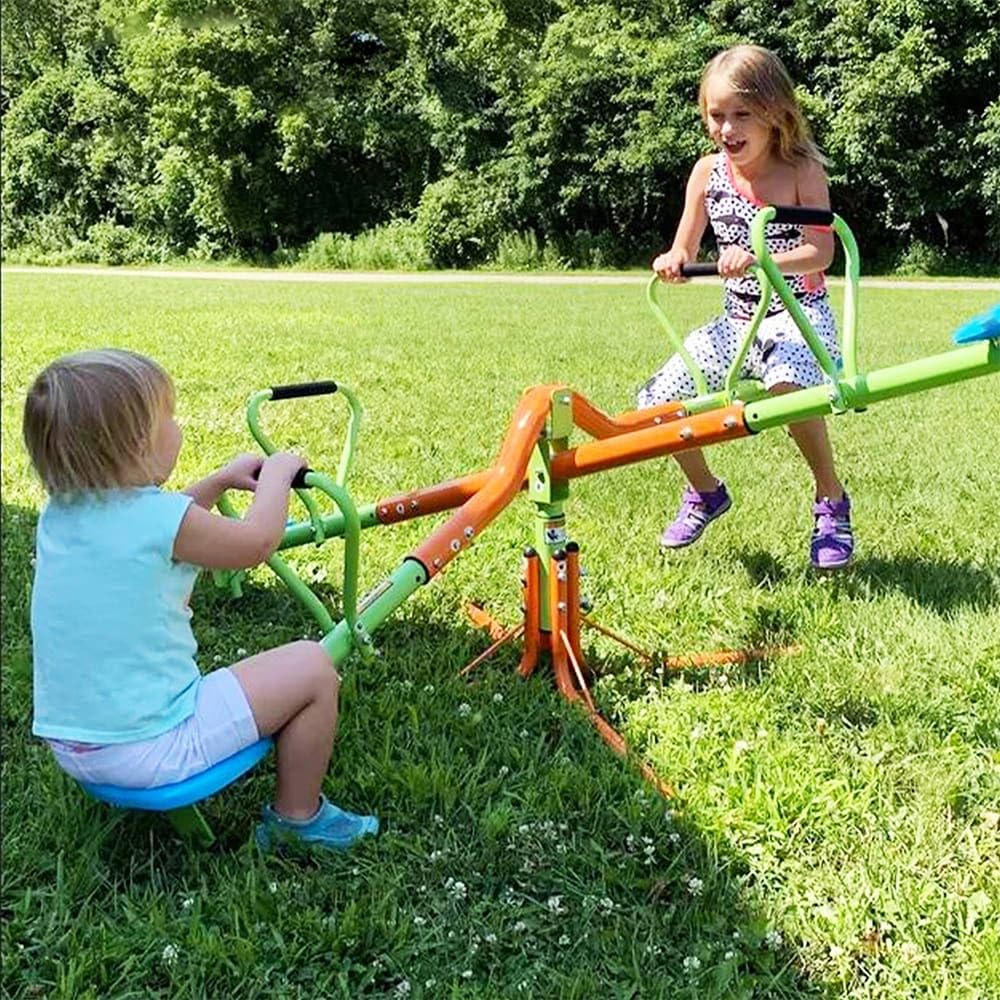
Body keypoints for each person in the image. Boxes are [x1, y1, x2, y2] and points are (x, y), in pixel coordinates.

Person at [22, 348, 378, 851]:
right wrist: (277, 476)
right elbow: (255, 543)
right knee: (314, 666)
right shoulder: (159, 521)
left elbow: (156, 528)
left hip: (77, 746)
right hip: (151, 747)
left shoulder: (60, 515)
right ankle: (296, 820)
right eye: (167, 417)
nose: (177, 425)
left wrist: (217, 482)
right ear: (137, 445)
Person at [638, 44, 854, 570]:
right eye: (716, 115)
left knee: (787, 386)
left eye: (742, 115)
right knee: (654, 404)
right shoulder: (706, 173)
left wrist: (761, 260)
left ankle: (830, 500)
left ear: (774, 112)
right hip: (737, 324)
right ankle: (705, 492)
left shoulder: (801, 170)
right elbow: (685, 245)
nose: (727, 129)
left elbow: (821, 251)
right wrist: (674, 260)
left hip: (798, 314)